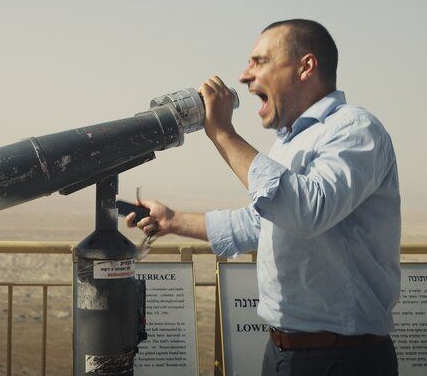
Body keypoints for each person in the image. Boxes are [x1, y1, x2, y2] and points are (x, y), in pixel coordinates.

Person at [126, 19, 400, 376]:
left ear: (305, 67)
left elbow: (308, 210)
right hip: (284, 353)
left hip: (341, 358)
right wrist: (172, 221)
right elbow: (264, 223)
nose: (244, 75)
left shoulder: (354, 129)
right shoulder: (289, 142)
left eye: (260, 61)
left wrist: (223, 134)